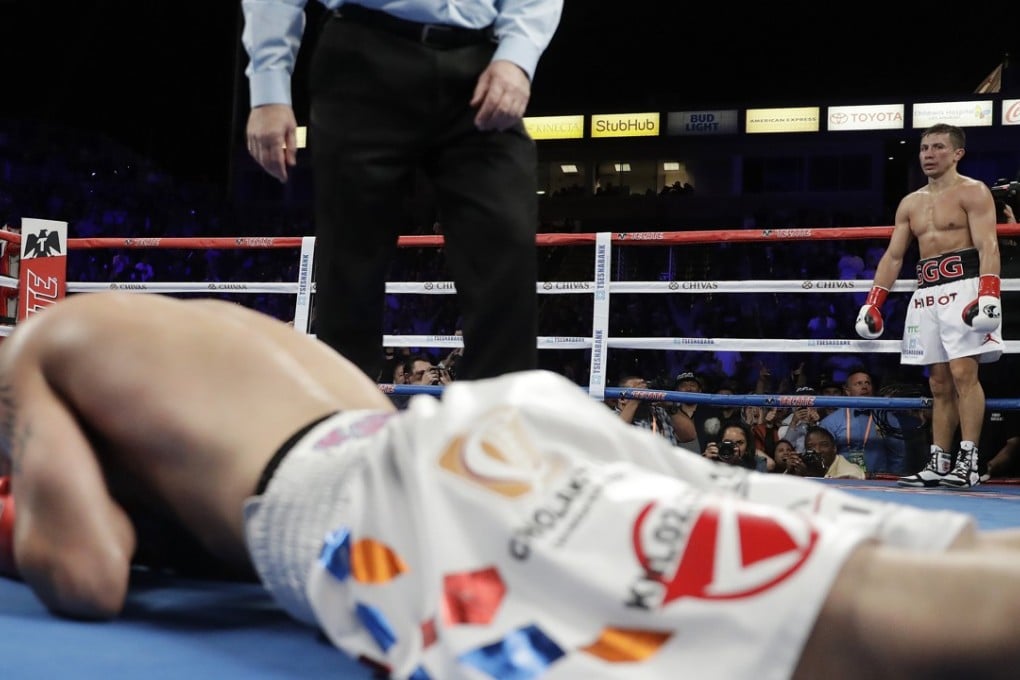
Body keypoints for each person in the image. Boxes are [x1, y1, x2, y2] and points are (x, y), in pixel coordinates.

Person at [10, 294, 1020, 678]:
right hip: (482, 429)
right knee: (904, 550)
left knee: (858, 622)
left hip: (385, 501)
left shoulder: (37, 347)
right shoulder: (188, 321)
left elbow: (87, 572)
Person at [241, 0, 563, 383]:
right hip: (362, 52)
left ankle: (496, 422)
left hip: (481, 61)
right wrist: (268, 86)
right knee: (350, 262)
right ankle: (348, 421)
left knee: (506, 239)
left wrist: (518, 56)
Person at [855, 123, 1003, 489]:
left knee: (964, 375)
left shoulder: (973, 191)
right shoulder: (911, 202)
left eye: (938, 147)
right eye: (924, 148)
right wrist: (874, 302)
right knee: (937, 382)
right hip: (927, 293)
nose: (928, 154)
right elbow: (893, 256)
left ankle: (969, 460)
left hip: (966, 288)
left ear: (957, 153)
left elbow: (988, 246)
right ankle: (939, 460)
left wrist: (988, 293)